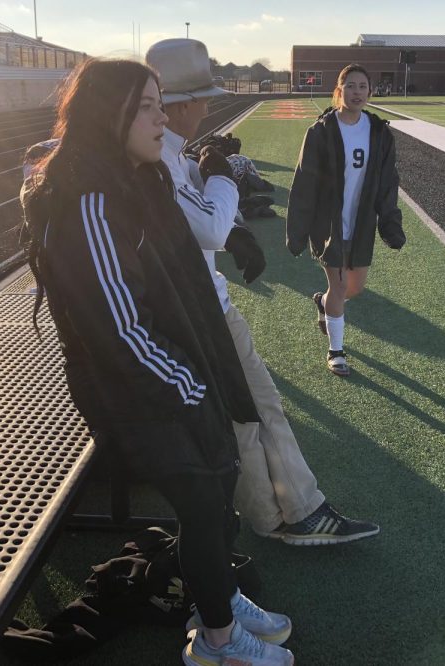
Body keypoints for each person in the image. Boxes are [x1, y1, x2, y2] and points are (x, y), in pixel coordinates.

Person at [19, 57, 294, 666]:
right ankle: (216, 643)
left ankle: (215, 597)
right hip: (142, 393)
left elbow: (181, 273)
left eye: (161, 101)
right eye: (147, 105)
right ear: (107, 113)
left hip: (178, 375)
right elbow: (120, 328)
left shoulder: (136, 178)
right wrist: (191, 387)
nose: (161, 117)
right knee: (201, 500)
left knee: (220, 487)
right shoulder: (89, 202)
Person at [146, 39, 380, 547]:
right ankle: (297, 512)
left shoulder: (160, 153)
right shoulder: (157, 159)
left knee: (246, 414)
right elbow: (207, 226)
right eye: (202, 99)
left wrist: (226, 216)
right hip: (202, 309)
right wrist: (221, 178)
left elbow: (196, 223)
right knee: (260, 407)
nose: (207, 108)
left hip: (189, 306)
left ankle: (271, 513)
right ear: (179, 102)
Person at [286, 63, 405, 376]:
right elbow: (304, 182)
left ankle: (324, 304)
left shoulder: (379, 133)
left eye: (363, 86)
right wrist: (297, 230)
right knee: (339, 288)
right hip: (328, 224)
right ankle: (336, 351)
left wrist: (390, 224)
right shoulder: (321, 132)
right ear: (339, 91)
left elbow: (387, 183)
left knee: (354, 289)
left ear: (370, 91)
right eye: (350, 86)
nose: (357, 92)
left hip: (361, 222)